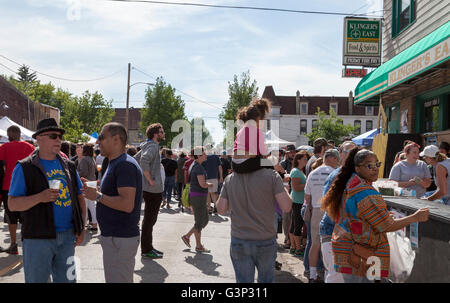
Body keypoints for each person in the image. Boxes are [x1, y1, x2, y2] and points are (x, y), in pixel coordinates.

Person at [321, 148, 429, 283]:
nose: (375, 169)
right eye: (369, 165)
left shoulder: (349, 184)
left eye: (377, 164)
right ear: (357, 168)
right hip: (362, 254)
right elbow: (388, 225)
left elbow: (355, 215)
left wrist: (379, 216)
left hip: (346, 249)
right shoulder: (366, 193)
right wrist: (415, 217)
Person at [8, 118, 86, 283]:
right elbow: (12, 204)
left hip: (67, 237)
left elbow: (80, 197)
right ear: (39, 138)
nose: (58, 139)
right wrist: (40, 197)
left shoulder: (69, 166)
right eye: (53, 135)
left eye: (60, 136)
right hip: (37, 238)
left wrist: (82, 227)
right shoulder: (24, 167)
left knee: (68, 281)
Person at [216, 151, 293, 283]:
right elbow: (286, 206)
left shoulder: (230, 179)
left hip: (239, 239)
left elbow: (221, 209)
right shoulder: (272, 176)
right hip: (265, 240)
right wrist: (283, 186)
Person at [83, 122, 143, 283]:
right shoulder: (112, 162)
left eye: (101, 137)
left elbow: (126, 204)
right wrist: (94, 186)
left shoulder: (125, 165)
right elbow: (112, 189)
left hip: (120, 238)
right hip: (114, 237)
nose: (97, 141)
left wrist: (97, 196)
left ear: (116, 139)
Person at [319, 140, 356, 283]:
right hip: (333, 233)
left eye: (355, 152)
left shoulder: (357, 176)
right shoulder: (337, 176)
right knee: (336, 276)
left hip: (348, 235)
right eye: (349, 151)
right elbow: (328, 208)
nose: (354, 155)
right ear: (340, 154)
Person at [304, 149, 339, 283]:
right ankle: (328, 275)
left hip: (316, 210)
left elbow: (307, 196)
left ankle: (312, 275)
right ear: (334, 159)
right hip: (331, 210)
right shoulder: (335, 173)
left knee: (315, 243)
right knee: (329, 244)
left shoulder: (313, 173)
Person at [0, 126, 35, 254]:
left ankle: (14, 244)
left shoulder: (3, 147)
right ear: (20, 134)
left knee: (11, 217)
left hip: (8, 187)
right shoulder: (30, 147)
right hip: (27, 187)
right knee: (27, 216)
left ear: (8, 135)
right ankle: (27, 244)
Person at [138, 123, 165, 259]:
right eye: (161, 131)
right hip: (152, 190)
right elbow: (143, 160)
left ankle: (148, 247)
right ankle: (147, 249)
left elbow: (135, 159)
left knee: (149, 221)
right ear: (155, 134)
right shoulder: (153, 146)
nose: (163, 133)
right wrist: (149, 179)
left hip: (150, 189)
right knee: (149, 221)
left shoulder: (147, 145)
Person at [181, 147, 213, 253]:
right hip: (198, 197)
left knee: (203, 220)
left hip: (197, 196)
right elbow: (202, 184)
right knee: (200, 222)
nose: (206, 155)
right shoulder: (198, 167)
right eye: (204, 154)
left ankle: (188, 236)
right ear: (199, 156)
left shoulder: (195, 165)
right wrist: (210, 184)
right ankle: (197, 245)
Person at [288, 151, 309, 257]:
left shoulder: (298, 171)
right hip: (298, 201)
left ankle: (293, 246)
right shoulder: (296, 171)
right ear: (298, 160)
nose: (306, 161)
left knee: (294, 224)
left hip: (298, 200)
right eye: (304, 159)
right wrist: (308, 183)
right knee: (297, 225)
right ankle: (298, 248)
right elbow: (296, 188)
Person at [77, 143, 98, 232]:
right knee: (91, 205)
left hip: (86, 182)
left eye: (82, 148)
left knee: (84, 205)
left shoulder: (84, 159)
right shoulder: (92, 159)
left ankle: (84, 224)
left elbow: (83, 172)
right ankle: (94, 223)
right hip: (92, 182)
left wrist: (76, 172)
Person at [280, 144, 296, 249]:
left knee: (294, 217)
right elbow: (278, 178)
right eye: (291, 152)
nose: (292, 154)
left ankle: (292, 239)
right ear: (287, 153)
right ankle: (287, 237)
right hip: (285, 192)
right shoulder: (283, 164)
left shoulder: (297, 162)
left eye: (294, 152)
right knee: (286, 216)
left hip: (296, 192)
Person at [202, 145, 223, 214]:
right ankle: (215, 207)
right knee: (213, 193)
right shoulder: (216, 156)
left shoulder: (204, 157)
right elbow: (220, 167)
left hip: (206, 177)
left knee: (208, 193)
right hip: (214, 177)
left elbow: (202, 168)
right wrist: (221, 177)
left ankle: (209, 208)